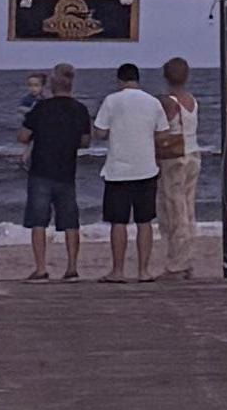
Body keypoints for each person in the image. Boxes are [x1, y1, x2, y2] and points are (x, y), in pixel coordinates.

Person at [92, 58, 166, 278]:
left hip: (118, 171)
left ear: (119, 80)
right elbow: (163, 133)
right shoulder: (153, 102)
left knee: (118, 222)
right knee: (144, 222)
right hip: (146, 168)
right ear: (137, 79)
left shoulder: (111, 100)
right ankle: (143, 270)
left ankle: (118, 271)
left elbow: (100, 132)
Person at [18, 64, 90, 278]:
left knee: (38, 221)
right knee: (70, 222)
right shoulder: (80, 109)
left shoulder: (41, 108)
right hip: (66, 171)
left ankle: (41, 268)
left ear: (51, 86)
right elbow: (85, 141)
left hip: (41, 170)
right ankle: (72, 268)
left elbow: (23, 136)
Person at [154, 55, 200, 274]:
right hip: (192, 152)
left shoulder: (167, 101)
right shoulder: (190, 99)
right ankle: (186, 258)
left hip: (174, 157)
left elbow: (161, 129)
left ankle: (177, 263)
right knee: (187, 207)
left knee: (174, 209)